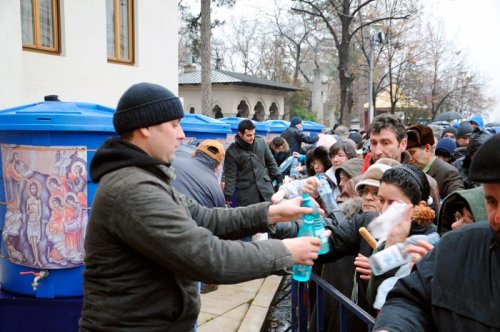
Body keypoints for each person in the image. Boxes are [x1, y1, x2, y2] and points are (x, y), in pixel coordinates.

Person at [80, 82, 321, 331]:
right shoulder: (132, 189)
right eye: (174, 125)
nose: (182, 135)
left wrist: (272, 212)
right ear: (145, 128)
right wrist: (285, 250)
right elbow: (208, 258)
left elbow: (206, 218)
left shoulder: (145, 178)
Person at [373, 133, 499, 332]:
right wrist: (392, 328)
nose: (497, 216)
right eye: (492, 202)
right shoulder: (456, 246)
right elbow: (410, 300)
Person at [171, 140, 227, 294]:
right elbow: (218, 226)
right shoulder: (216, 189)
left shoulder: (172, 160)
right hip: (189, 245)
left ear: (194, 153)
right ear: (217, 167)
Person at [223, 119, 282, 207]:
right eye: (249, 135)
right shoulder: (232, 152)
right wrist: (228, 196)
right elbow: (230, 176)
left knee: (270, 218)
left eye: (254, 134)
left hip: (266, 190)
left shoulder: (261, 142)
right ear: (240, 134)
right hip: (246, 195)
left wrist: (279, 179)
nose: (252, 137)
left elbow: (271, 163)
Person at [406, 124, 464, 198]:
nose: (409, 158)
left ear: (427, 148)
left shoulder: (448, 172)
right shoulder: (407, 169)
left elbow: (458, 200)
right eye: (406, 154)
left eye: (412, 153)